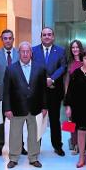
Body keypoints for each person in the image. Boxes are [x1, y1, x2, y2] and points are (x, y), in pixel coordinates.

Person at [3, 42, 48, 169]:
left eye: (27, 51)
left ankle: (33, 157)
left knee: (34, 134)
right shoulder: (11, 69)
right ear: (19, 53)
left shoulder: (40, 68)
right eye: (22, 51)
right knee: (15, 134)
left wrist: (44, 107)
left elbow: (43, 90)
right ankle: (13, 158)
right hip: (17, 108)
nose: (25, 54)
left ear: (31, 53)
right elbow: (6, 91)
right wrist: (7, 108)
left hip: (35, 107)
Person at [32, 27, 67, 156]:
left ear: (53, 37)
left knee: (54, 119)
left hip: (54, 91)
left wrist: (52, 79)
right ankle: (35, 146)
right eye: (44, 35)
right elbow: (32, 66)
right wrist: (43, 79)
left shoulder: (61, 51)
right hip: (38, 91)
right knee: (38, 119)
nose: (47, 37)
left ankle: (57, 146)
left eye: (49, 35)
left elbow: (63, 67)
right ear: (41, 37)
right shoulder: (34, 50)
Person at [0, 29, 22, 157]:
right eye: (5, 38)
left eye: (10, 38)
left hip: (17, 95)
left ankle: (20, 146)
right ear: (2, 40)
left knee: (18, 122)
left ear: (13, 39)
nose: (8, 40)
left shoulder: (20, 54)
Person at [66, 39, 84, 155]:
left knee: (83, 122)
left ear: (80, 48)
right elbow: (66, 84)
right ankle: (74, 144)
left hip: (84, 98)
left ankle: (82, 145)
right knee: (71, 121)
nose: (75, 49)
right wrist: (67, 103)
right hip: (72, 98)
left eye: (77, 47)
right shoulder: (69, 63)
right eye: (73, 47)